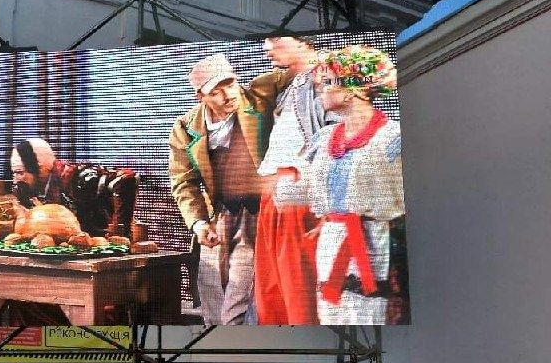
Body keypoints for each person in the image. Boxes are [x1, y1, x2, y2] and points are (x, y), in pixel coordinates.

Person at [281, 46, 405, 325]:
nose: (320, 90)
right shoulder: (324, 139)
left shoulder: (391, 138)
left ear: (352, 90)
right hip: (331, 240)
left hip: (373, 240)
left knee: (366, 314)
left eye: (327, 83)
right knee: (331, 314)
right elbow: (305, 188)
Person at [169, 53, 290, 325]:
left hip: (258, 215)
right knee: (210, 291)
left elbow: (296, 69)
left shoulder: (257, 97)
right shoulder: (185, 127)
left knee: (237, 297)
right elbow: (183, 181)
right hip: (220, 216)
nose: (228, 95)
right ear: (201, 97)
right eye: (216, 91)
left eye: (231, 84)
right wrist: (199, 223)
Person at [254, 36, 338, 325]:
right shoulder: (290, 83)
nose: (266, 47)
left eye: (275, 39)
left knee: (297, 285)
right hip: (273, 188)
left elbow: (338, 133)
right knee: (270, 288)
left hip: (297, 184)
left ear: (303, 41)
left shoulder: (328, 74)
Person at [9, 137, 138, 237]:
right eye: (14, 173)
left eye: (20, 173)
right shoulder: (31, 192)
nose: (16, 180)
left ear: (41, 168)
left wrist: (118, 231)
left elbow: (126, 178)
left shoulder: (76, 177)